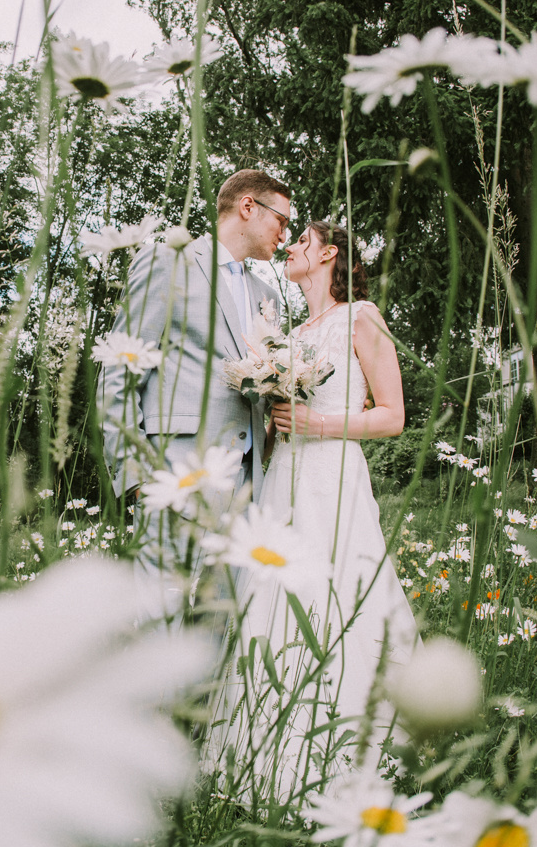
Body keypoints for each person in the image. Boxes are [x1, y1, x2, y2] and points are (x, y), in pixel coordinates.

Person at [213, 220, 418, 800]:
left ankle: (355, 757)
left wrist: (318, 424)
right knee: (275, 603)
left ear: (328, 253)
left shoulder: (363, 316)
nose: (291, 248)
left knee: (339, 598)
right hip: (285, 481)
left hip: (333, 479)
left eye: (301, 240)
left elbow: (393, 416)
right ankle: (270, 753)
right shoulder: (291, 333)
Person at [96, 169, 293, 615]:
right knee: (157, 619)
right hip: (173, 473)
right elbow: (119, 368)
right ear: (248, 206)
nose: (285, 233)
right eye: (281, 220)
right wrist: (135, 474)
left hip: (247, 486)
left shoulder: (269, 297)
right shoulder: (168, 260)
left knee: (219, 628)